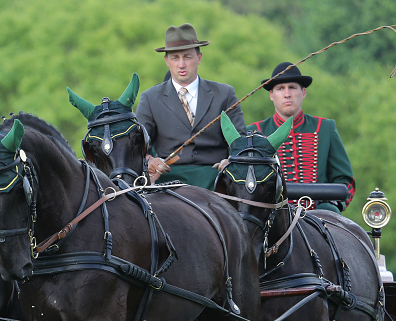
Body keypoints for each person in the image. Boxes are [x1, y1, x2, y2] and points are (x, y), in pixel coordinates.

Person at [137, 23, 246, 188]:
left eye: (187, 57)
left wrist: (231, 161)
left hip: (218, 178)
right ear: (167, 61)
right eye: (175, 58)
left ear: (199, 58)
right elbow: (138, 146)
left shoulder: (225, 94)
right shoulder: (150, 98)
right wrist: (149, 160)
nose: (181, 64)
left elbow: (240, 141)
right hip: (167, 181)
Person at [249, 62, 355, 212]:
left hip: (318, 218)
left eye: (292, 87)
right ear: (271, 95)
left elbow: (345, 181)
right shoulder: (254, 132)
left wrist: (331, 206)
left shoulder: (325, 128)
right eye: (280, 89)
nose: (287, 94)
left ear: (303, 92)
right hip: (271, 218)